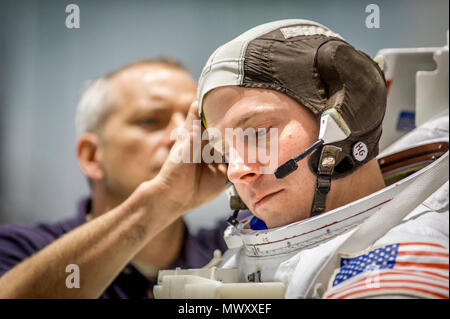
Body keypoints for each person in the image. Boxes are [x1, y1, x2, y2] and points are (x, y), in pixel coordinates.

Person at [154, 19, 449, 299]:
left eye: (257, 133)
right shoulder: (239, 253)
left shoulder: (400, 267)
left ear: (350, 117)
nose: (236, 172)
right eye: (226, 151)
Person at [0, 58, 232, 298]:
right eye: (150, 120)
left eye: (194, 120)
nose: (182, 135)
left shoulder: (233, 250)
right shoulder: (19, 250)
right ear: (91, 156)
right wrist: (160, 202)